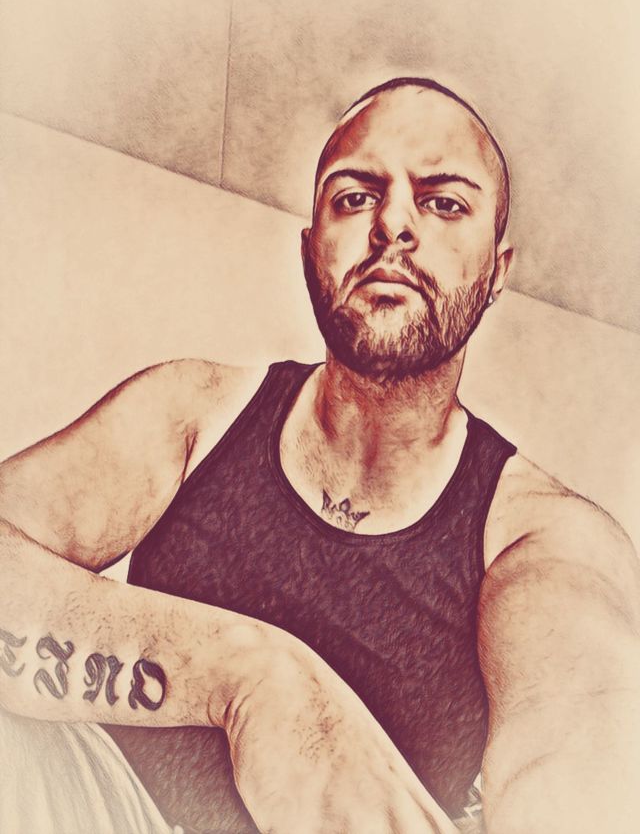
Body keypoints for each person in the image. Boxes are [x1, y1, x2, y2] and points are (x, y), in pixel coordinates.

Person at [0, 77, 638, 834]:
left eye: (443, 203)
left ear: (497, 273)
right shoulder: (192, 410)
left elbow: (578, 751)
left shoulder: (545, 537)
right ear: (311, 252)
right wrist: (250, 678)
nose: (393, 223)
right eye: (355, 196)